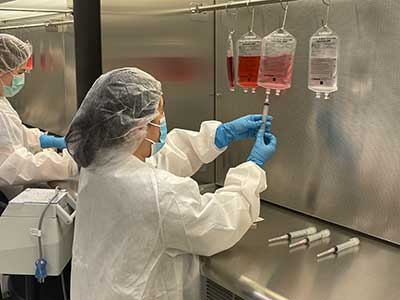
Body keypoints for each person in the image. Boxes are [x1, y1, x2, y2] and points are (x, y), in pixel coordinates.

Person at [66, 67, 277, 300]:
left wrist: (217, 136)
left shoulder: (97, 164)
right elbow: (218, 223)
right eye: (158, 117)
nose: (162, 124)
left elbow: (153, 168)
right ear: (137, 127)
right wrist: (253, 168)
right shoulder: (156, 194)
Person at [0, 34, 77, 202]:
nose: (21, 79)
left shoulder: (1, 100)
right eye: (19, 72)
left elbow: (14, 133)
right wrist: (66, 164)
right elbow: (12, 167)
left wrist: (44, 140)